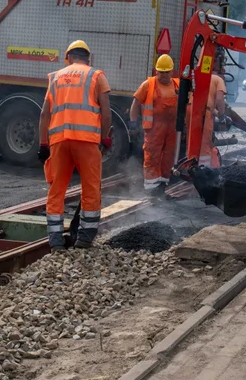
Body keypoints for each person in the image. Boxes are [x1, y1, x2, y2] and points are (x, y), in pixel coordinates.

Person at [38, 40, 112, 250]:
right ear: (88, 58)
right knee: (90, 187)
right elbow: (106, 113)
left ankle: (55, 240)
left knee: (57, 189)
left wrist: (43, 144)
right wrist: (105, 138)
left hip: (59, 141)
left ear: (68, 57)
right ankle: (84, 238)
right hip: (87, 142)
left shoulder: (55, 77)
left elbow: (44, 114)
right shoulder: (96, 76)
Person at [130, 54, 179, 193]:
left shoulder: (178, 85)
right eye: (160, 72)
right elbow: (135, 104)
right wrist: (133, 123)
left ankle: (163, 184)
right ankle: (151, 189)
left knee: (169, 155)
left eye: (166, 72)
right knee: (152, 156)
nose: (163, 75)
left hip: (172, 128)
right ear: (156, 71)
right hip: (154, 129)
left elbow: (187, 105)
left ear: (172, 71)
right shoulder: (148, 85)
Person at [186, 60, 227, 168]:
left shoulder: (199, 76)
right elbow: (219, 100)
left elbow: (207, 103)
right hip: (203, 112)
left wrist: (217, 114)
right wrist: (222, 115)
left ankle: (190, 166)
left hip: (191, 108)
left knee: (192, 139)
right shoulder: (218, 80)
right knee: (205, 142)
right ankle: (203, 169)